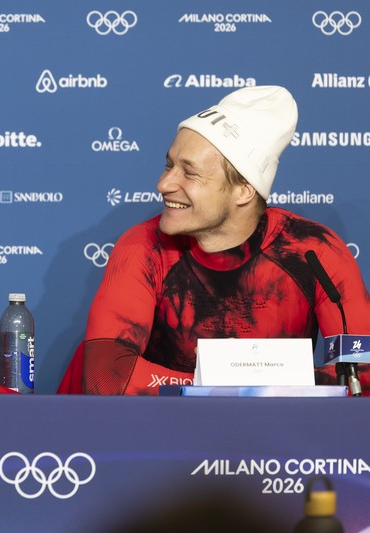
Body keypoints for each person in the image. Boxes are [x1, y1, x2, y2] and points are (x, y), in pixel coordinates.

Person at [58, 85, 370, 395]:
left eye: (189, 173)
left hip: (273, 429)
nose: (163, 183)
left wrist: (238, 388)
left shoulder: (313, 251)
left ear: (243, 190)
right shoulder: (143, 247)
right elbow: (105, 378)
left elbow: (363, 374)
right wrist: (223, 386)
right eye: (169, 165)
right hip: (157, 427)